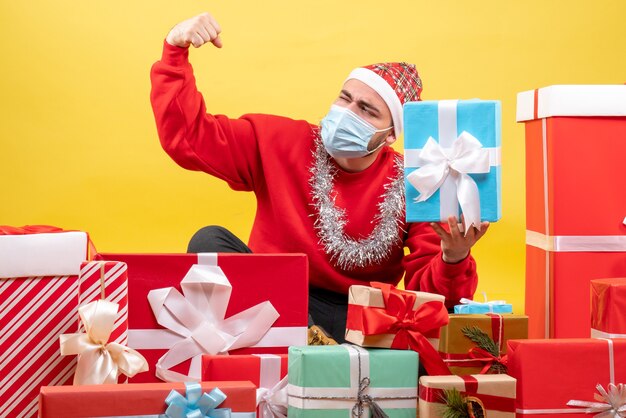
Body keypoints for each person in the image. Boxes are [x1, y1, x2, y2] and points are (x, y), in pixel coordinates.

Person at [150, 12, 489, 343]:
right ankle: (309, 342)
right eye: (345, 98)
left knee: (394, 328)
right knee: (209, 241)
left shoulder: (418, 182)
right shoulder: (279, 140)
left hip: (353, 320)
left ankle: (317, 348)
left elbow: (429, 299)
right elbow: (188, 139)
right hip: (270, 296)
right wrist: (175, 51)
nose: (347, 112)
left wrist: (453, 256)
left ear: (390, 135)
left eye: (366, 109)